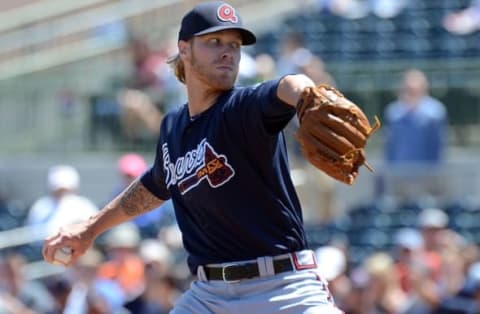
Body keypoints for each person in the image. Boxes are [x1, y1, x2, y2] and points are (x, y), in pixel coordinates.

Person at [43, 2, 343, 313]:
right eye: (214, 42)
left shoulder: (244, 108)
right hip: (208, 296)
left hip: (282, 287)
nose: (227, 51)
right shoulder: (172, 126)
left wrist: (309, 97)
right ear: (184, 49)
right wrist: (91, 228)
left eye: (234, 45)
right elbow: (154, 185)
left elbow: (291, 85)